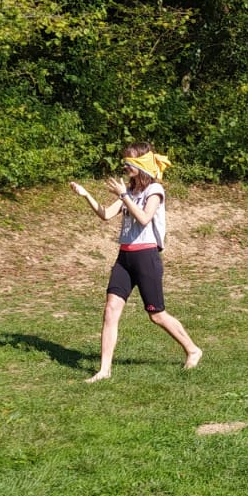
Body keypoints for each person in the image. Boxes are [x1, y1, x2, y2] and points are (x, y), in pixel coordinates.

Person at [70, 143, 202, 381]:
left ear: (141, 164)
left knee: (156, 314)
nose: (124, 165)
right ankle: (104, 370)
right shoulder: (129, 191)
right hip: (124, 257)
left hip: (146, 256)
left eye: (128, 161)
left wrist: (123, 195)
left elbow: (144, 218)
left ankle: (193, 350)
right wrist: (86, 195)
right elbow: (106, 214)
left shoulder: (155, 190)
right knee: (110, 310)